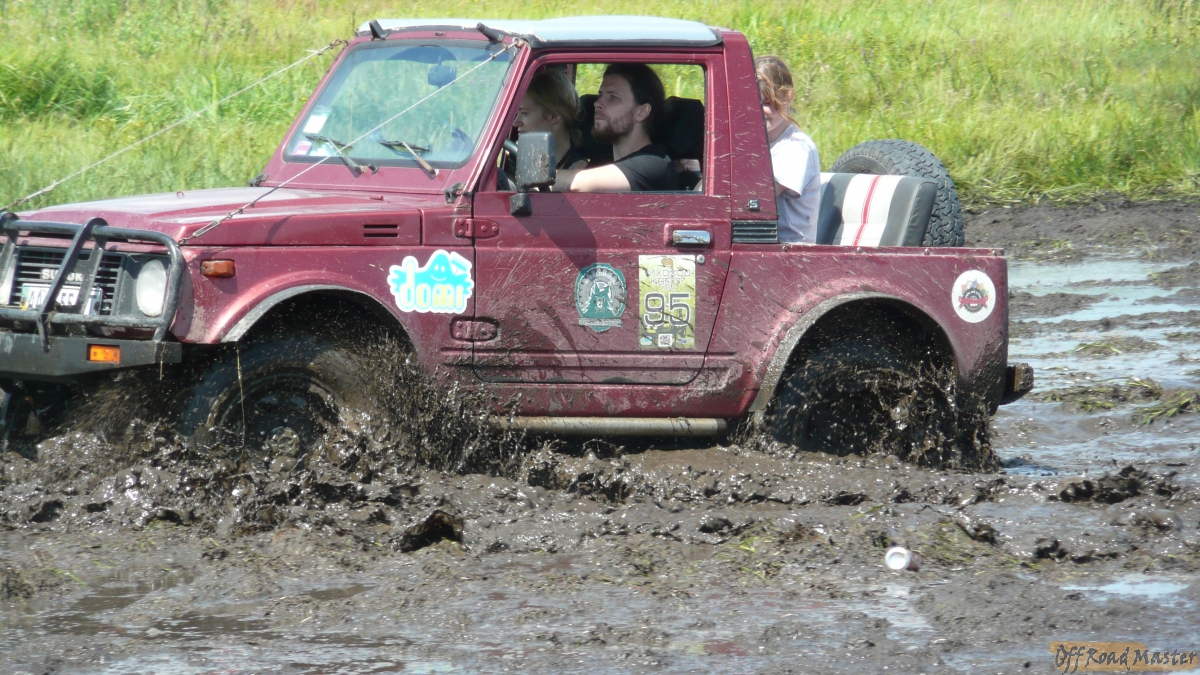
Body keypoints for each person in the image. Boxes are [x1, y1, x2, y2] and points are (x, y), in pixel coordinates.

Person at [553, 63, 677, 192]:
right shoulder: (600, 164)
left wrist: (539, 178)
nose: (597, 103)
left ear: (642, 112)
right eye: (600, 95)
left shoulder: (654, 165)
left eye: (613, 97)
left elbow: (575, 183)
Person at [756, 55, 821, 244]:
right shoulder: (758, 143)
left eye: (766, 103)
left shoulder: (797, 148)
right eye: (753, 102)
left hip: (791, 253)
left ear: (788, 98)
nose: (759, 110)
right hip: (762, 247)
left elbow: (756, 200)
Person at [513, 69, 588, 171]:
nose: (515, 123)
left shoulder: (578, 172)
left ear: (553, 116)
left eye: (524, 113)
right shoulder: (524, 160)